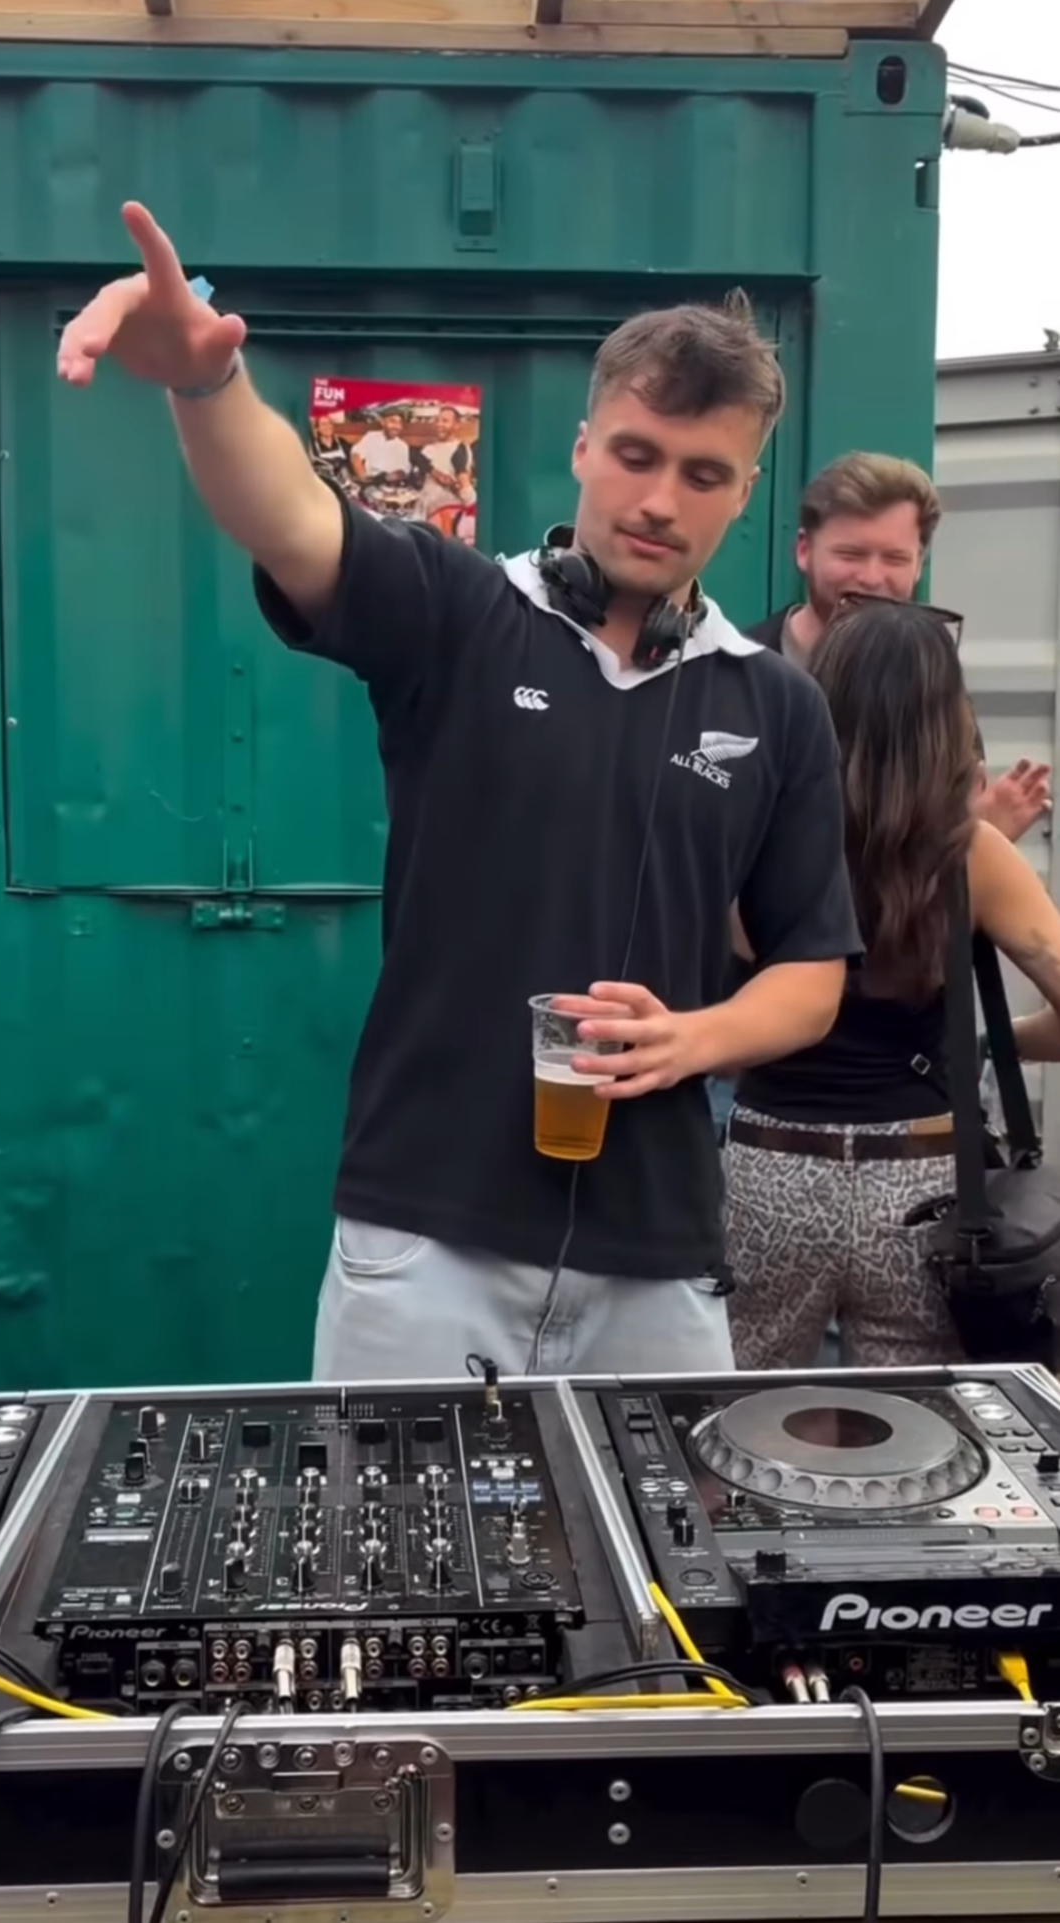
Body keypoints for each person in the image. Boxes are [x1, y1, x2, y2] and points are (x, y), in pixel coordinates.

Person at [58, 202, 860, 1382]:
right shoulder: (461, 612)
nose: (658, 499)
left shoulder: (773, 703)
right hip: (425, 1242)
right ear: (584, 446)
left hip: (660, 1257)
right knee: (387, 1569)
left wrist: (696, 1037)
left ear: (742, 494)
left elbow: (810, 970)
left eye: (702, 474)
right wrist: (206, 387)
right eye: (635, 456)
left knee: (655, 1572)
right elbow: (289, 513)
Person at [723, 597, 1060, 1371]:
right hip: (923, 1186)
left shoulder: (758, 831)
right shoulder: (971, 850)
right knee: (922, 1424)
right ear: (947, 717)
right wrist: (980, 1040)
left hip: (772, 1165)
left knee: (745, 1414)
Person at [745, 451, 1051, 844]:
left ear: (920, 563)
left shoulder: (931, 669)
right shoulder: (741, 669)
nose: (872, 578)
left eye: (894, 559)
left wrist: (980, 837)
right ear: (804, 550)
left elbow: (936, 840)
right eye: (851, 554)